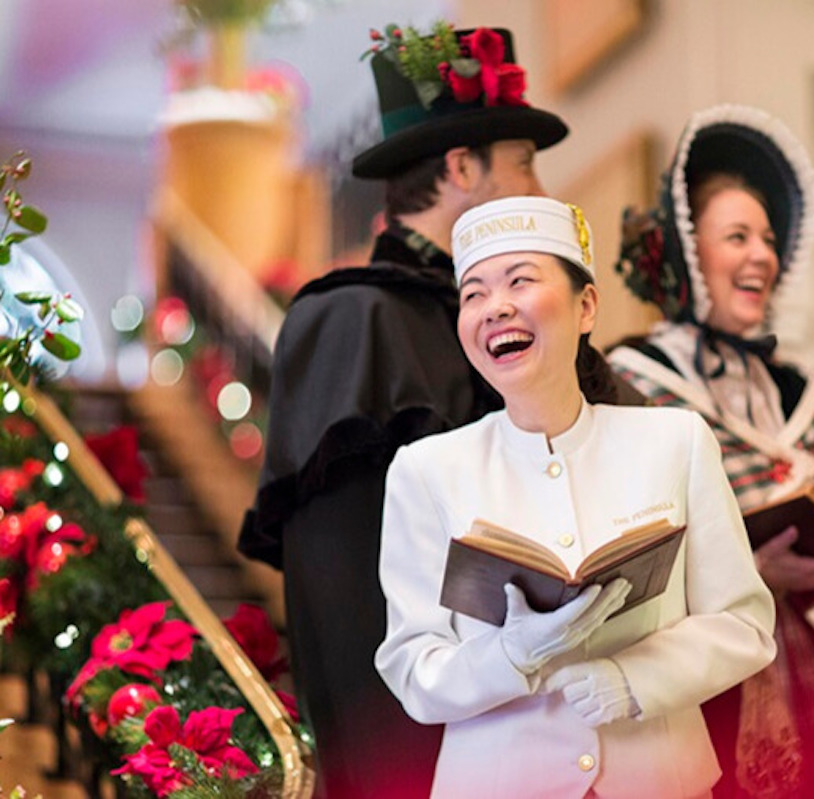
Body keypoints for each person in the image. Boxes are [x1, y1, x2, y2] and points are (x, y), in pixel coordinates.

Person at [238, 24, 572, 797]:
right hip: (419, 748)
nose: (543, 191)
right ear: (462, 167)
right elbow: (346, 597)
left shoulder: (507, 325)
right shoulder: (355, 322)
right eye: (525, 164)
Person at [374, 195, 776, 799]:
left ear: (586, 305)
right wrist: (510, 655)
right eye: (474, 294)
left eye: (520, 281)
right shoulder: (426, 471)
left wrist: (634, 679)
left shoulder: (676, 441)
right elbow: (412, 669)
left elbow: (744, 624)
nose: (495, 306)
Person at [607, 104, 814, 798]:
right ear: (688, 256)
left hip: (794, 655)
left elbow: (806, 570)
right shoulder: (629, 379)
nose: (762, 256)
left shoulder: (789, 387)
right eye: (737, 237)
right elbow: (623, 559)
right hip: (697, 675)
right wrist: (747, 571)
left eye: (768, 239)